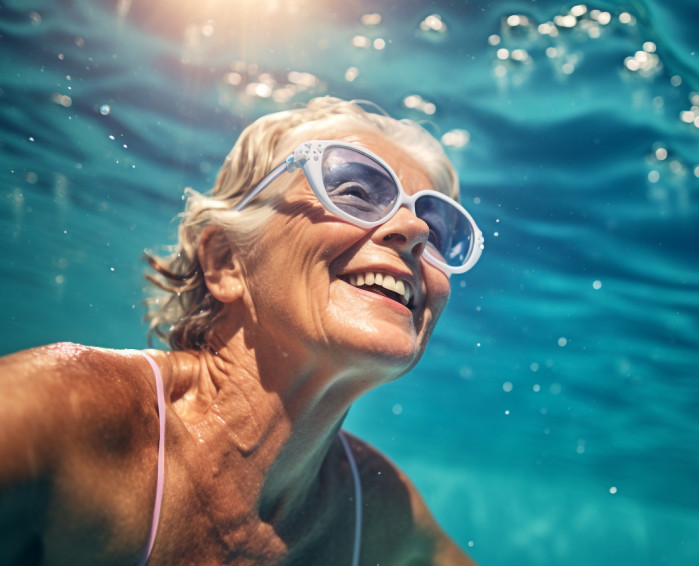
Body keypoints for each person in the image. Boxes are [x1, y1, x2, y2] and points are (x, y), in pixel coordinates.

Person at [0, 97, 483, 565]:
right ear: (226, 261)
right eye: (355, 193)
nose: (415, 231)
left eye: (436, 231)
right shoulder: (56, 420)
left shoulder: (379, 510)